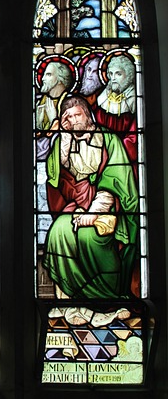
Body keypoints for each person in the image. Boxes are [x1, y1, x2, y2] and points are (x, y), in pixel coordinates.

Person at [43, 95, 139, 324]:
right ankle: (69, 300)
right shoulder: (65, 141)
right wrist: (65, 137)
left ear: (88, 116)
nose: (73, 121)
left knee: (91, 237)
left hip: (108, 205)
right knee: (58, 232)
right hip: (77, 203)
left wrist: (94, 212)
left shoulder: (109, 140)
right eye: (68, 117)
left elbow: (115, 179)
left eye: (77, 115)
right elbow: (57, 174)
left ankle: (106, 300)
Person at [94, 53, 137, 163]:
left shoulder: (134, 98)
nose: (113, 78)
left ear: (129, 75)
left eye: (118, 74)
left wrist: (118, 148)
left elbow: (133, 137)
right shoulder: (102, 97)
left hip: (124, 153)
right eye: (111, 73)